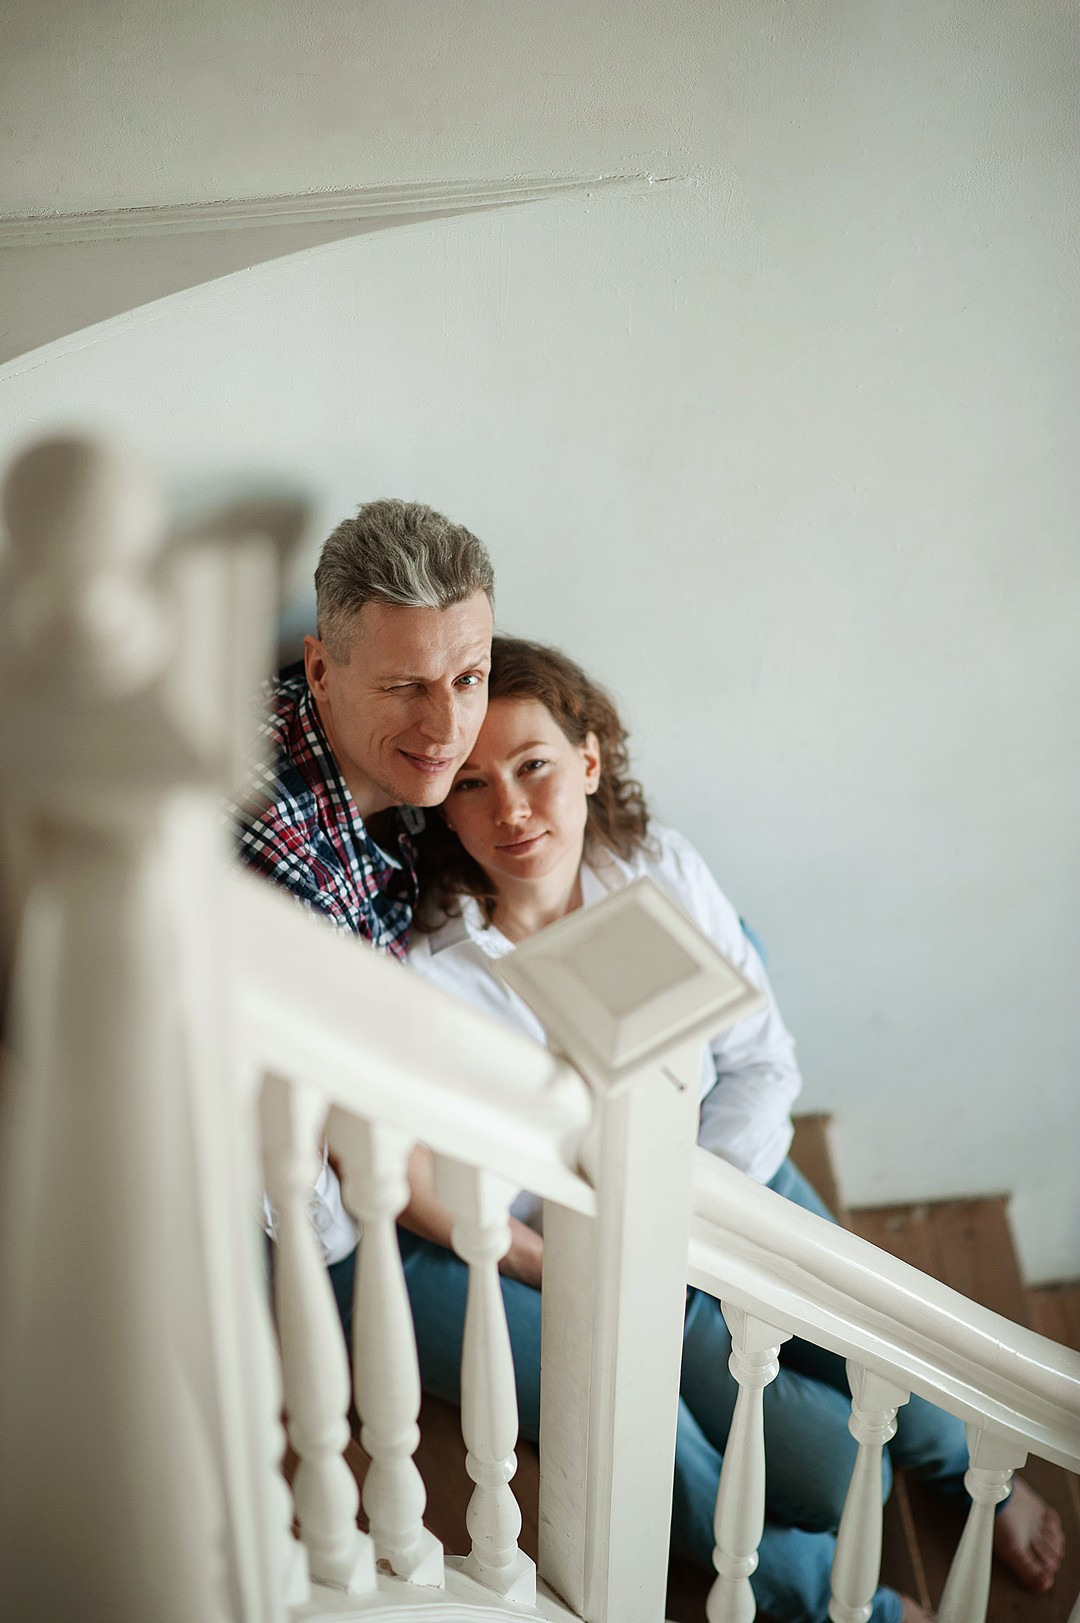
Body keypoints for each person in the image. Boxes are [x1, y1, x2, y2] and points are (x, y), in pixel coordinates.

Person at [397, 635, 1064, 1623]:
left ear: (586, 761)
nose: (512, 810)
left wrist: (691, 1217)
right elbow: (453, 1174)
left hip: (720, 1179)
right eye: (473, 784)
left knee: (876, 1323)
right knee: (824, 1477)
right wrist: (575, 1257)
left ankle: (983, 1472)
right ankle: (828, 1598)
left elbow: (759, 1064)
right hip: (578, 1251)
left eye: (534, 765)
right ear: (441, 803)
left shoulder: (656, 868)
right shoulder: (437, 968)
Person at [234, 496, 495, 1284]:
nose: (448, 726)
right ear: (320, 669)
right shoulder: (271, 848)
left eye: (467, 677)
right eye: (407, 687)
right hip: (323, 1208)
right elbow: (332, 1176)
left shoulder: (385, 750)